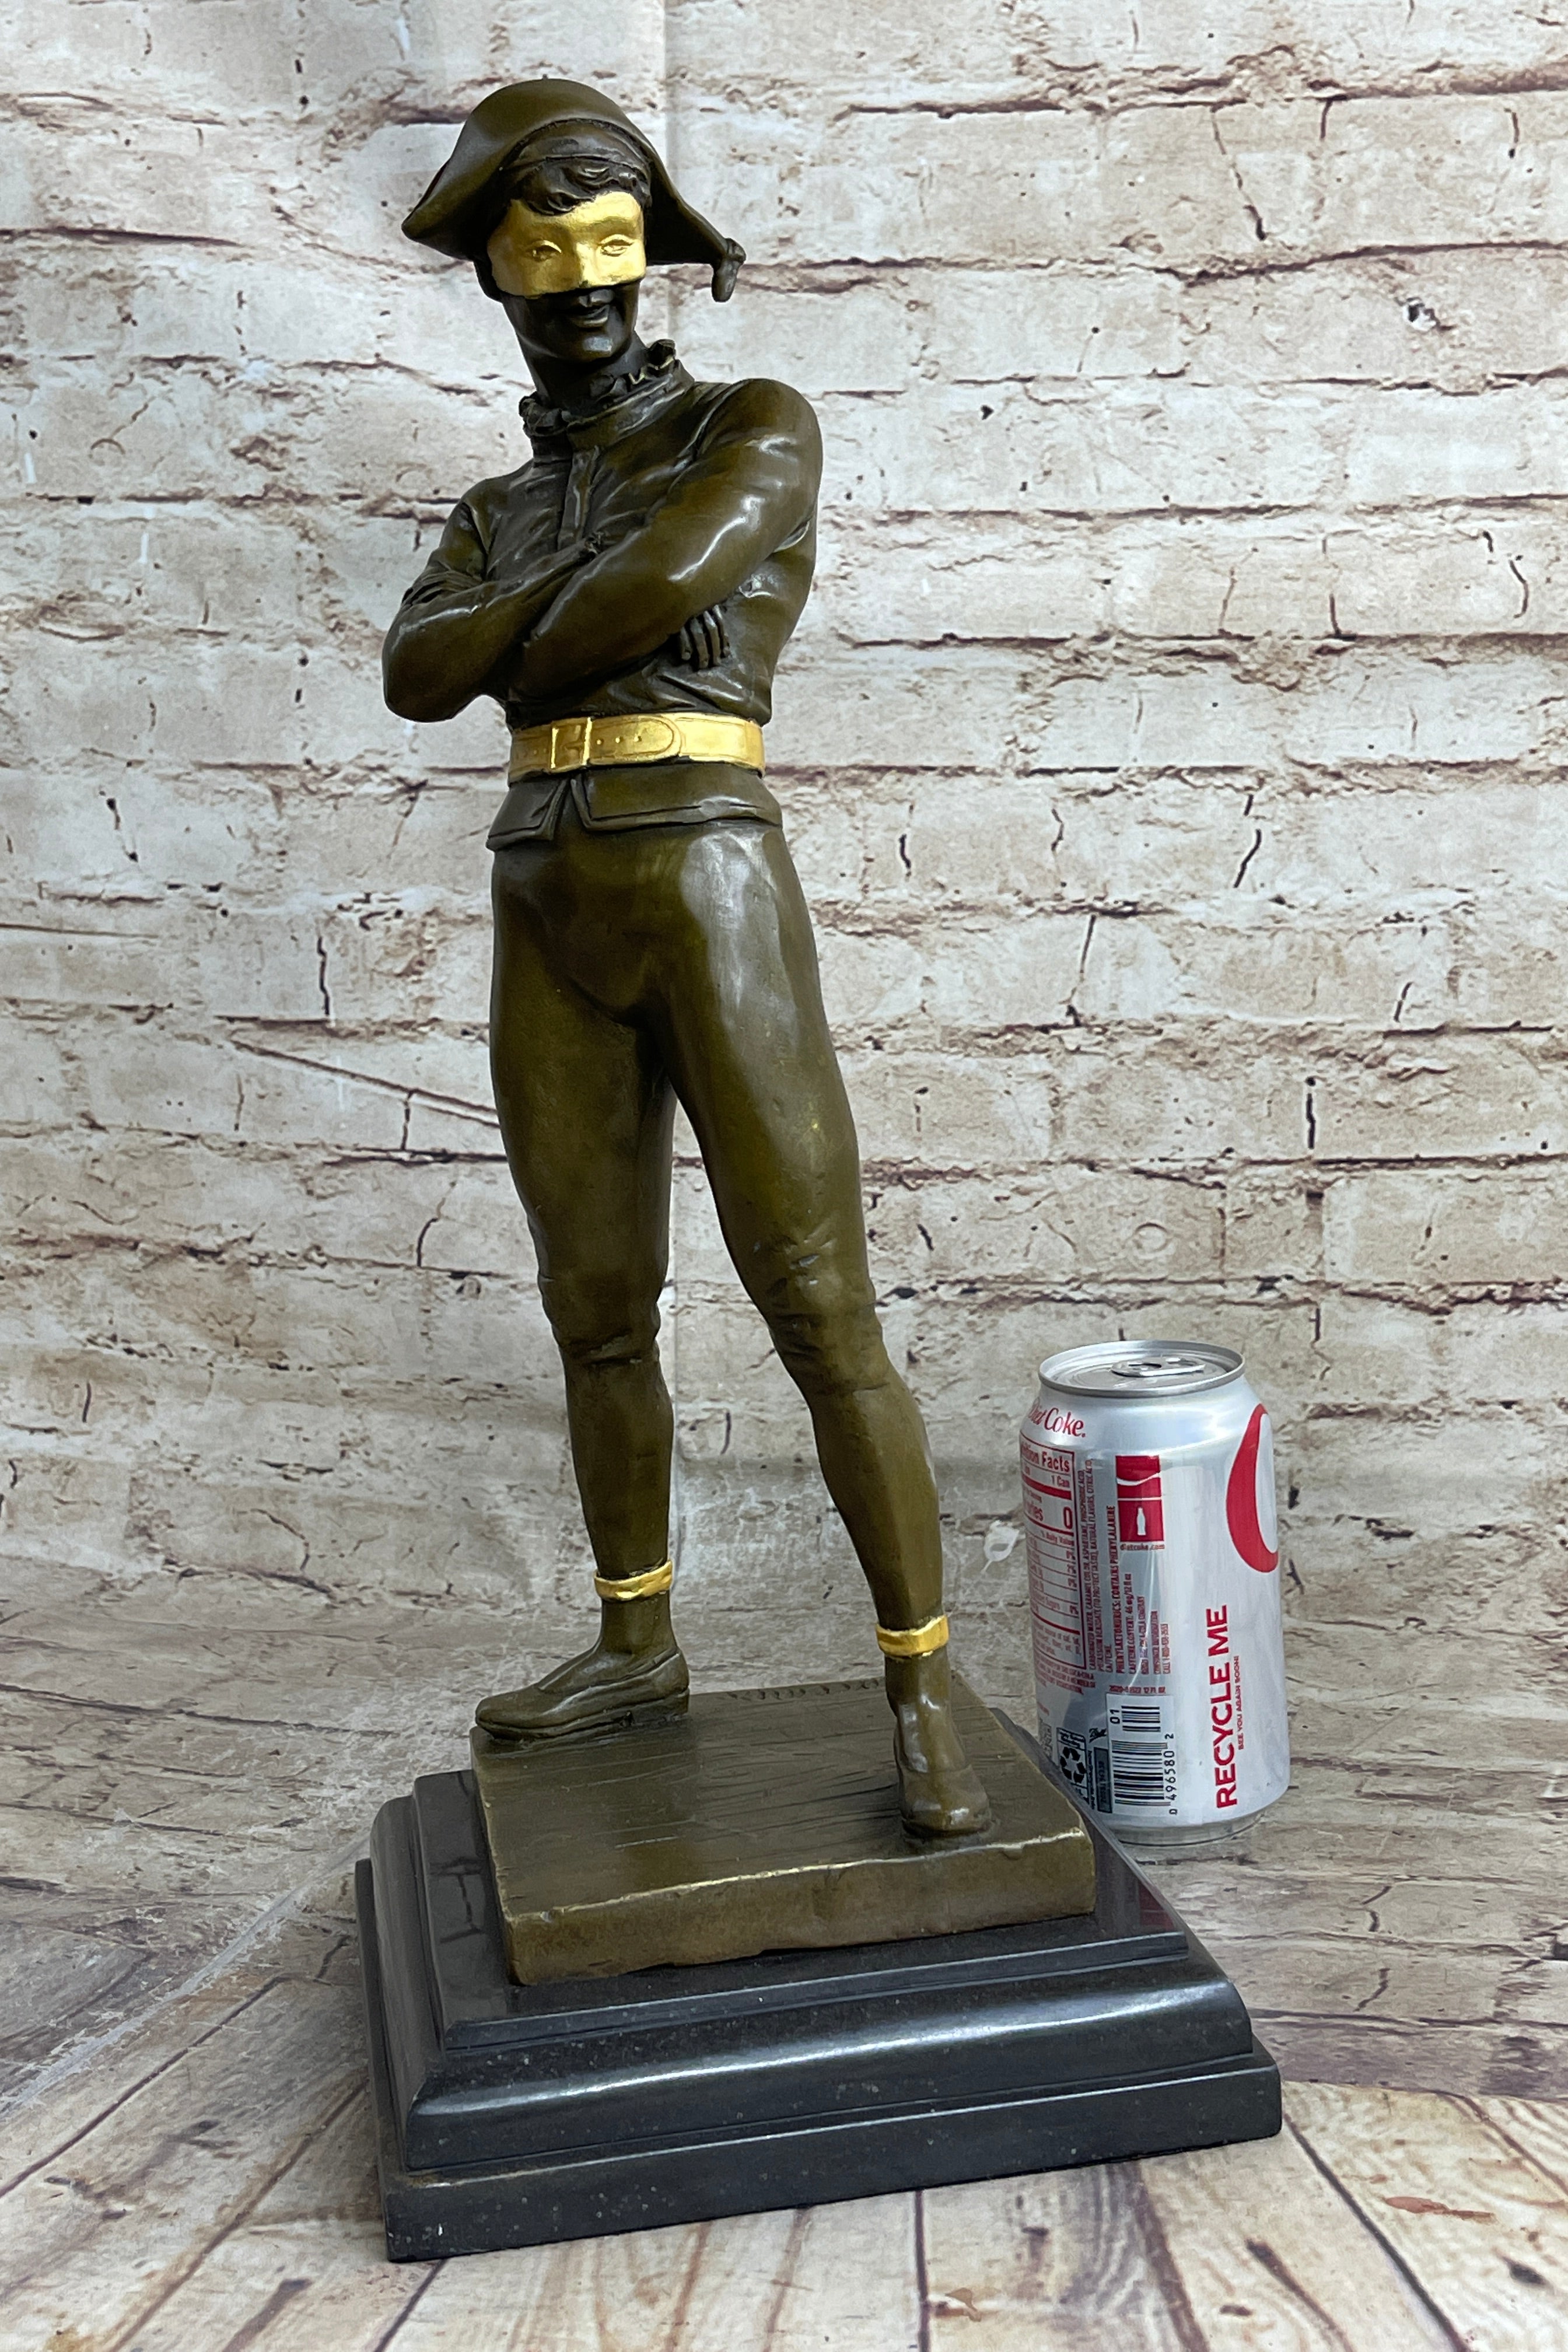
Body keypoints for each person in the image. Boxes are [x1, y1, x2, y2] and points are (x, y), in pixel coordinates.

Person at [386, 80, 989, 1837]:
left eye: (610, 240)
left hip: (708, 877)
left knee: (813, 1293)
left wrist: (515, 637)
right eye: (540, 246)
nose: (580, 279)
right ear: (494, 270)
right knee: (594, 1304)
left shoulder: (754, 422)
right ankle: (636, 1645)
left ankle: (922, 1680)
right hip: (543, 892)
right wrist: (540, 620)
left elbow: (645, 591)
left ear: (652, 256)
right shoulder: (498, 501)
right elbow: (416, 677)